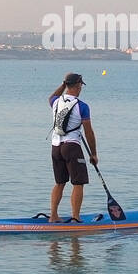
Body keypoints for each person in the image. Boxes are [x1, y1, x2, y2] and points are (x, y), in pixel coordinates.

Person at [48, 73, 97, 223]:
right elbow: (88, 132)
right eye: (81, 85)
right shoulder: (82, 106)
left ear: (66, 85)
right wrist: (93, 154)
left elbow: (51, 97)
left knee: (60, 182)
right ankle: (76, 217)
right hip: (72, 147)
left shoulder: (56, 102)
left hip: (56, 147)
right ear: (78, 86)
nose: (81, 87)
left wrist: (63, 85)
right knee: (78, 183)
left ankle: (53, 216)